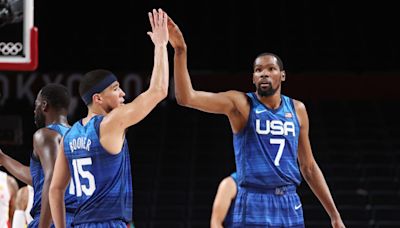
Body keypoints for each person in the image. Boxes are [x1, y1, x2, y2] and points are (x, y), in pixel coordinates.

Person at [167, 17, 345, 227]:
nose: (264, 74)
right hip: (253, 200)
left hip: (289, 202)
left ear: (283, 75)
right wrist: (180, 50)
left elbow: (308, 167)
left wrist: (334, 215)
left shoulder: (298, 109)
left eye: (270, 69)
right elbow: (186, 97)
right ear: (253, 78)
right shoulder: (241, 104)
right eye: (258, 70)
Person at [49, 8, 169, 228]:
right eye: (115, 89)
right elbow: (159, 90)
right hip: (109, 222)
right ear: (98, 98)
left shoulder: (68, 135)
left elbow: (56, 190)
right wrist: (160, 46)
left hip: (80, 223)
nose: (122, 93)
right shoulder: (110, 122)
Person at [0, 83, 76, 228]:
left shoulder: (46, 135)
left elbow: (52, 178)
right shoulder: (77, 136)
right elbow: (38, 178)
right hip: (79, 219)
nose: (34, 111)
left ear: (44, 106)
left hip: (54, 218)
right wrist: (4, 159)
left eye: (36, 105)